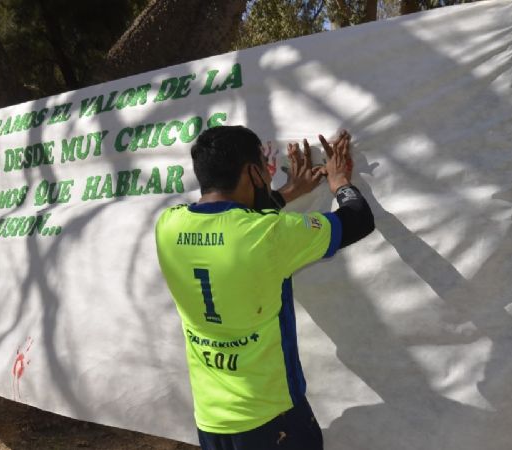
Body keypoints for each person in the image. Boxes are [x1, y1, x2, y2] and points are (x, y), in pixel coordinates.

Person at [155, 125, 375, 450]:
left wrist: (287, 192)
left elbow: (229, 223)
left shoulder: (168, 225)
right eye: (263, 166)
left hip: (211, 419)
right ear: (252, 172)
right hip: (272, 417)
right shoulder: (270, 235)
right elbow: (358, 218)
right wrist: (339, 180)